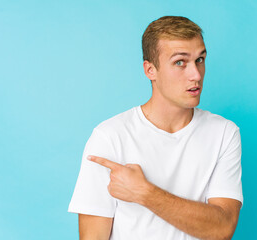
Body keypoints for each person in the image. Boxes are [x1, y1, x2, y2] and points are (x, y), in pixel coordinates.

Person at [68, 16, 243, 240]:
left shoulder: (224, 133)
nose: (196, 75)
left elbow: (222, 229)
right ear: (150, 70)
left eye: (200, 60)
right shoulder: (110, 137)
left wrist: (145, 193)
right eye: (180, 62)